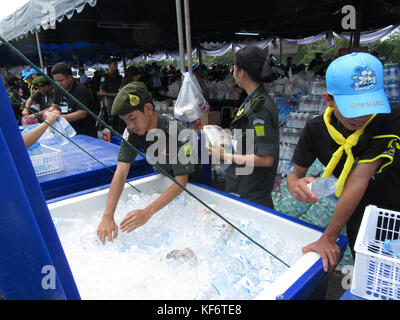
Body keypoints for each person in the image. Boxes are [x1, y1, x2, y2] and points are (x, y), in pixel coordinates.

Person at [286, 52, 400, 273]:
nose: (362, 116)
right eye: (353, 107)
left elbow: (359, 178)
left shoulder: (390, 119)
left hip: (394, 211)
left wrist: (329, 237)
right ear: (328, 99)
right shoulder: (315, 130)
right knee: (371, 275)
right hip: (361, 218)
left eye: (368, 105)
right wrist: (295, 186)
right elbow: (295, 175)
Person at [97, 82, 202, 245]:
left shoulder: (178, 133)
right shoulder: (132, 131)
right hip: (164, 177)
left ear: (148, 109)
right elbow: (121, 172)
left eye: (133, 118)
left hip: (192, 186)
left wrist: (148, 212)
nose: (130, 125)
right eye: (125, 121)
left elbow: (182, 182)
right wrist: (108, 215)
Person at [208, 45, 280, 208]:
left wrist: (226, 157)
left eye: (234, 68)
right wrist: (226, 138)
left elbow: (266, 158)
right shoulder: (252, 100)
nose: (233, 72)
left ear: (242, 73)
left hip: (250, 192)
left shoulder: (259, 107)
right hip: (242, 184)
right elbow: (249, 140)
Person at [51, 62, 97, 137]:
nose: (58, 84)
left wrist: (60, 118)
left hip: (84, 133)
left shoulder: (81, 89)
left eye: (61, 80)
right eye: (55, 81)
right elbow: (55, 106)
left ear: (70, 77)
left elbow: (82, 113)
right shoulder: (58, 89)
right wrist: (49, 113)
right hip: (67, 131)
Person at [100, 58, 122, 128]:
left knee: (120, 118)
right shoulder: (105, 77)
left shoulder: (119, 77)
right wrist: (115, 94)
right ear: (109, 65)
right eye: (114, 64)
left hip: (119, 100)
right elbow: (101, 93)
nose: (116, 66)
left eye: (117, 64)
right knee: (112, 119)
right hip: (110, 101)